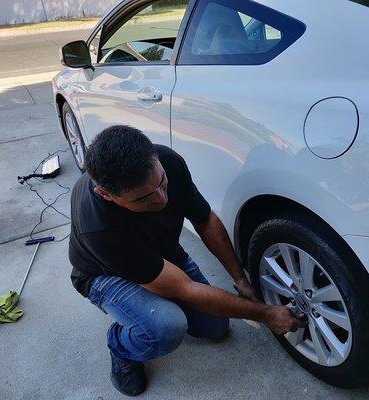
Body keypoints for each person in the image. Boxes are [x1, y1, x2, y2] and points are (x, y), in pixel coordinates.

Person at [68, 125, 304, 396]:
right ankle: (122, 346)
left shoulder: (167, 160)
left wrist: (239, 279)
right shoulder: (97, 226)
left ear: (154, 158)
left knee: (215, 327)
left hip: (161, 255)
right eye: (143, 198)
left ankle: (149, 307)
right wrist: (267, 315)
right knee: (167, 327)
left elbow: (205, 220)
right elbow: (185, 288)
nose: (160, 198)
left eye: (160, 183)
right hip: (104, 276)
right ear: (107, 195)